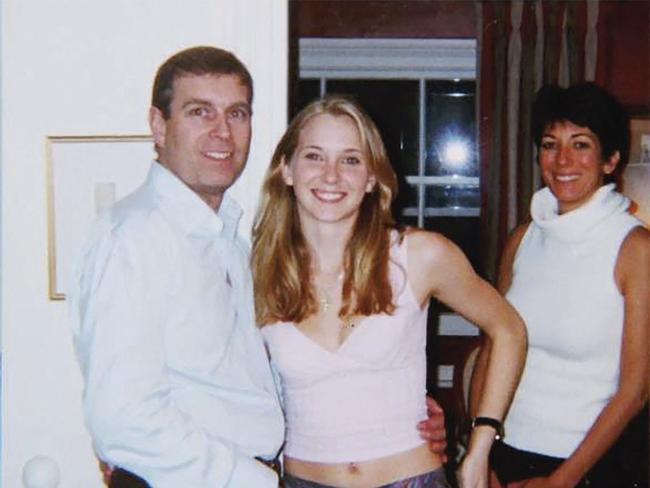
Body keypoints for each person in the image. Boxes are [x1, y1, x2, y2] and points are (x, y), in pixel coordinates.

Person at [69, 46, 447, 488]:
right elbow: (123, 417)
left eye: (237, 114)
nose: (222, 133)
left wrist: (387, 408)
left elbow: (248, 381)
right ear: (158, 125)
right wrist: (253, 480)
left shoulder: (233, 241)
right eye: (199, 112)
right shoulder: (134, 237)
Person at [251, 95, 527, 488]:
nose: (331, 176)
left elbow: (509, 328)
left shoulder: (418, 255)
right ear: (286, 170)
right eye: (314, 156)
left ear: (370, 179)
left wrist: (481, 446)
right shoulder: (256, 271)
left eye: (350, 160)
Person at [470, 82, 649, 488]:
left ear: (611, 160)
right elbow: (491, 351)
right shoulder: (523, 238)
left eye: (581, 144)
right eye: (550, 144)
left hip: (592, 466)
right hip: (505, 454)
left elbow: (635, 390)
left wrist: (560, 482)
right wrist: (481, 452)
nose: (563, 159)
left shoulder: (636, 249)